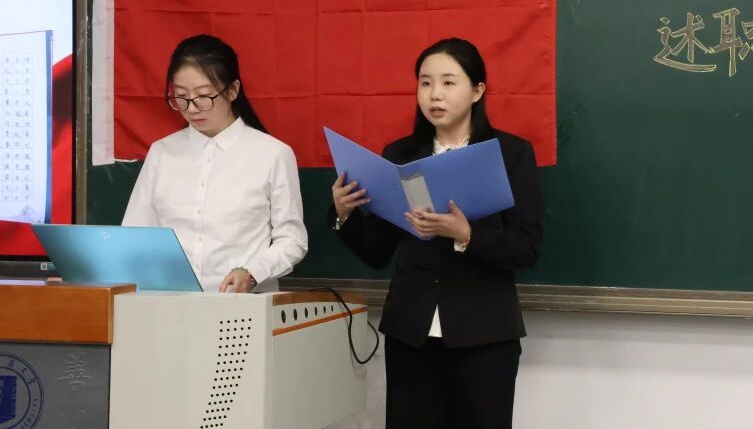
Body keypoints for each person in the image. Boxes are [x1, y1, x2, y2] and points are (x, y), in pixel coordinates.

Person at [330, 37, 542, 429]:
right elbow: (378, 253)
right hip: (411, 334)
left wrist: (466, 235)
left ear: (477, 90)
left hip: (484, 335)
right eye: (425, 83)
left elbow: (526, 247)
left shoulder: (510, 154)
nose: (434, 94)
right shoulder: (399, 156)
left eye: (448, 82)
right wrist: (345, 215)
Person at [122, 34, 308, 293]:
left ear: (233, 90)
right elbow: (134, 235)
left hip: (243, 304)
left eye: (204, 96)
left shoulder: (272, 154)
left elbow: (292, 240)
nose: (192, 108)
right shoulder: (162, 152)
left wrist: (253, 272)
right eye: (181, 96)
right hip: (168, 301)